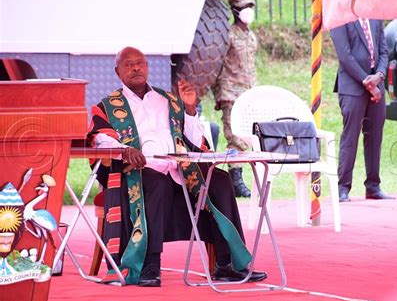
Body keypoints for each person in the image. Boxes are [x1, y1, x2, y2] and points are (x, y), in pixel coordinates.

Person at [88, 46, 267, 287]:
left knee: (221, 180)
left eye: (140, 62)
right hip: (139, 170)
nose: (136, 68)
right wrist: (125, 151)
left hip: (179, 168)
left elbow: (195, 140)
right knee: (156, 182)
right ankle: (149, 265)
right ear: (117, 71)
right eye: (128, 64)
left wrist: (190, 110)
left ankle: (227, 263)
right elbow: (100, 138)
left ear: (147, 67)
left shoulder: (169, 101)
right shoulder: (107, 106)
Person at [330, 19, 395, 202]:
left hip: (376, 85)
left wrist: (379, 76)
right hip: (352, 87)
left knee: (375, 136)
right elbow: (345, 56)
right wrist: (367, 81)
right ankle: (343, 187)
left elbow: (383, 51)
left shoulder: (375, 18)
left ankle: (373, 186)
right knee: (350, 136)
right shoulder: (340, 17)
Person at [213, 0, 257, 197]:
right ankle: (235, 179)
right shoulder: (228, 36)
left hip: (248, 93)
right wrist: (220, 93)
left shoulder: (250, 36)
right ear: (235, 11)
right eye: (244, 7)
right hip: (230, 93)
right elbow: (216, 65)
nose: (249, 10)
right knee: (234, 137)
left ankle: (236, 178)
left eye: (250, 6)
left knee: (246, 137)